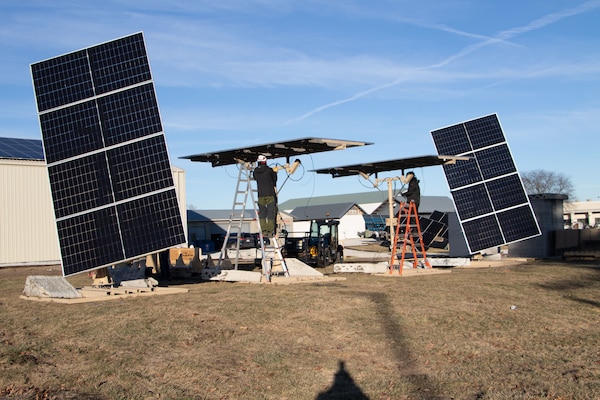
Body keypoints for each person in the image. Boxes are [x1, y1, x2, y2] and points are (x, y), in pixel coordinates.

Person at [253, 154, 278, 237]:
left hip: (260, 195)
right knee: (271, 212)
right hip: (270, 194)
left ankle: (263, 231)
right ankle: (270, 231)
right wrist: (274, 173)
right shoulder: (269, 170)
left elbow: (255, 178)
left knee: (262, 213)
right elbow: (274, 180)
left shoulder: (255, 171)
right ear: (265, 161)